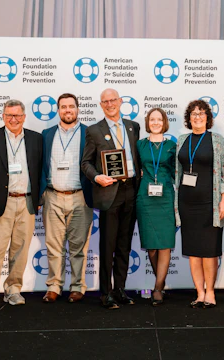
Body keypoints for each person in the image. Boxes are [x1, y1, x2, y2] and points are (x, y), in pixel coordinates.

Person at [0, 99, 43, 310]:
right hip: (0, 202)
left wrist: (39, 199)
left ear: (24, 117)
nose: (13, 119)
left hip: (27, 201)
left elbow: (41, 170)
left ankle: (13, 290)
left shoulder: (36, 139)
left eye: (17, 115)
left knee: (20, 250)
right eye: (9, 115)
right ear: (3, 116)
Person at [81, 88, 141, 310]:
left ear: (121, 101)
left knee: (125, 244)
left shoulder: (133, 127)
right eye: (105, 101)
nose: (109, 104)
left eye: (113, 100)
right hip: (109, 192)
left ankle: (121, 290)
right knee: (108, 245)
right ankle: (106, 293)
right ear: (101, 105)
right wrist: (97, 177)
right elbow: (85, 163)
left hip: (131, 191)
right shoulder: (94, 130)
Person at [174, 99, 224, 309]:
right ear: (188, 119)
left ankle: (210, 292)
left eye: (201, 113)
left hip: (210, 204)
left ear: (208, 118)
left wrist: (223, 200)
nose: (197, 117)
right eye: (193, 114)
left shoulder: (216, 140)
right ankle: (199, 293)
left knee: (209, 251)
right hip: (186, 204)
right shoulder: (182, 140)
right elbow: (177, 173)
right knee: (193, 251)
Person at [40, 93, 94, 304]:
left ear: (78, 109)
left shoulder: (89, 133)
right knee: (53, 245)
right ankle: (54, 286)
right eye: (63, 107)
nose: (68, 110)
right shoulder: (46, 134)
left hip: (80, 196)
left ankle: (77, 286)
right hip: (53, 196)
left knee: (78, 246)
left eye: (71, 106)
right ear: (58, 110)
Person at [136, 108, 176, 306]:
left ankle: (158, 287)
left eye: (159, 119)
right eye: (152, 119)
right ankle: (160, 280)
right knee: (151, 246)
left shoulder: (172, 145)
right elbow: (133, 168)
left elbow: (178, 171)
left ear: (164, 122)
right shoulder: (140, 144)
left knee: (165, 243)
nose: (156, 122)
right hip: (145, 196)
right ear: (148, 122)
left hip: (166, 195)